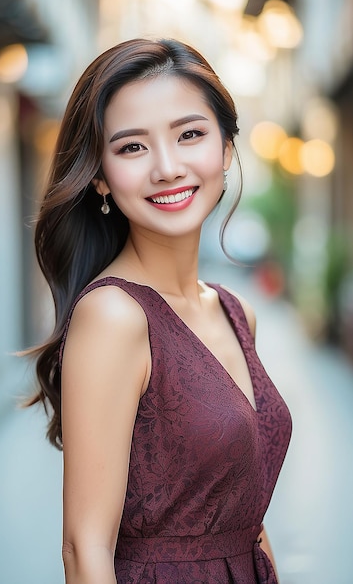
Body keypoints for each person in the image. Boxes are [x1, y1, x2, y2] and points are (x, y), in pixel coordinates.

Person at [28, 37, 292, 584]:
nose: (168, 168)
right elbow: (84, 548)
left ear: (225, 147)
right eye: (131, 147)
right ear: (99, 175)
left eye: (190, 134)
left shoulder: (236, 312)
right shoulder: (114, 316)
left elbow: (249, 519)